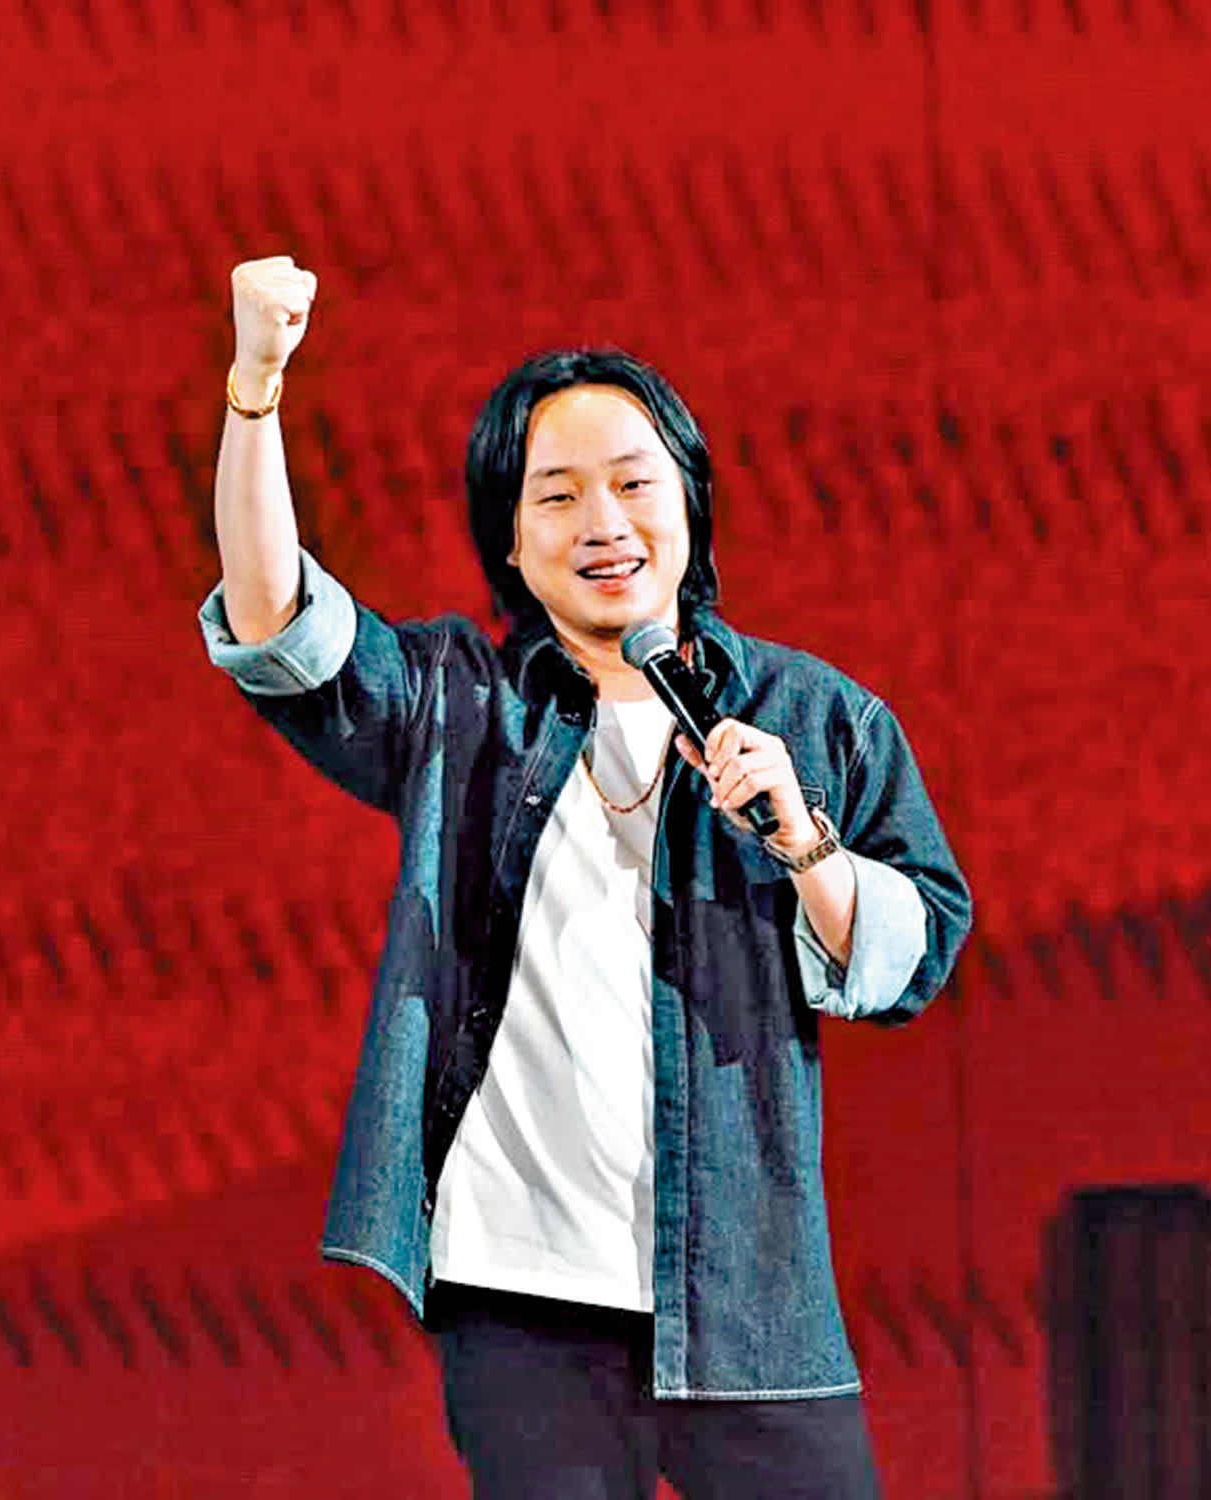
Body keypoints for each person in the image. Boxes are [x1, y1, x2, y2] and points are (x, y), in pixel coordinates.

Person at [199, 255, 972, 1499]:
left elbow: (915, 955)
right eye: (555, 496)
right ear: (510, 541)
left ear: (690, 504)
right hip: (520, 1301)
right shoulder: (460, 702)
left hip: (747, 1296)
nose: (602, 523)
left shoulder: (816, 715)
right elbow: (277, 622)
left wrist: (805, 844)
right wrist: (255, 387)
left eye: (633, 483)